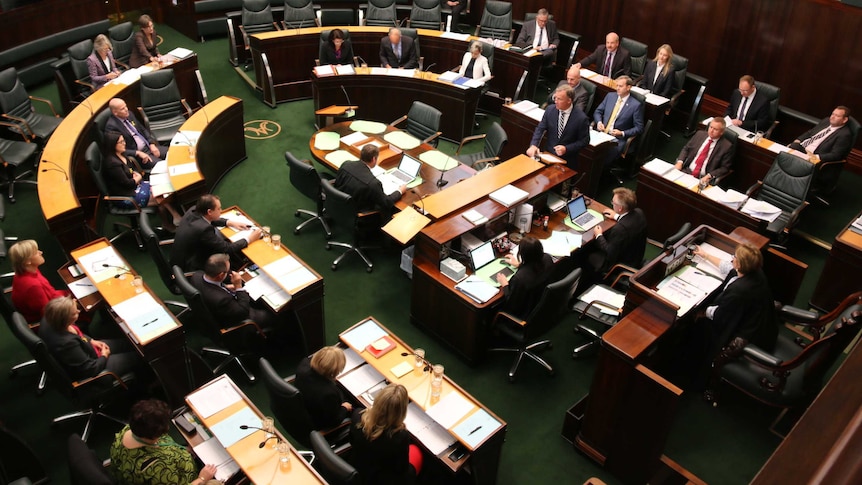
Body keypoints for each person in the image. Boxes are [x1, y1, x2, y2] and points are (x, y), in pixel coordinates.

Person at [694, 243, 778, 356]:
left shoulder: (739, 291)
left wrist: (702, 312)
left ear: (739, 264)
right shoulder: (755, 271)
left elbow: (719, 316)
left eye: (734, 256)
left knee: (695, 325)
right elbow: (729, 267)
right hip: (760, 325)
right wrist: (706, 255)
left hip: (740, 335)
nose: (732, 258)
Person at [111, 399, 219, 485]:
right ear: (154, 435)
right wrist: (202, 478)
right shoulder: (155, 469)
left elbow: (163, 444)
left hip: (181, 460)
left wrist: (184, 450)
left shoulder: (128, 430)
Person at [38, 296, 141, 381]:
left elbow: (78, 334)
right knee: (138, 356)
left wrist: (92, 341)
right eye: (75, 313)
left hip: (89, 348)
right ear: (65, 319)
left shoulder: (50, 318)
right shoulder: (66, 344)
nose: (78, 311)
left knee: (130, 343)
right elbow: (90, 369)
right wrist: (104, 356)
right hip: (96, 367)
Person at [101, 131, 181, 225]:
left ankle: (168, 223)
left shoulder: (121, 154)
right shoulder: (112, 164)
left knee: (161, 188)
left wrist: (136, 177)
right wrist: (138, 177)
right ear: (113, 144)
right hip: (126, 196)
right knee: (160, 196)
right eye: (121, 142)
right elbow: (128, 183)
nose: (124, 143)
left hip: (136, 186)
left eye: (124, 140)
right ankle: (175, 217)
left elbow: (132, 170)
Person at [350, 383, 422, 485]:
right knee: (416, 451)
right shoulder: (400, 437)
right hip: (381, 479)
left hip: (358, 467)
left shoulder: (358, 415)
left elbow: (351, 441)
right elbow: (401, 468)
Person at [171, 194, 262, 271]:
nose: (221, 210)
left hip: (180, 256)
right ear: (209, 211)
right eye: (218, 209)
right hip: (191, 264)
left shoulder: (194, 210)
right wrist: (250, 239)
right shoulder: (204, 230)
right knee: (228, 254)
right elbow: (227, 248)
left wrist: (229, 222)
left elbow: (209, 219)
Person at [189, 253, 275, 330]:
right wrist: (238, 287)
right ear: (221, 275)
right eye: (228, 271)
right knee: (271, 314)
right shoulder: (221, 299)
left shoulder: (197, 276)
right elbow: (243, 312)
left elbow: (213, 286)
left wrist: (225, 287)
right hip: (236, 319)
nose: (230, 273)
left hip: (214, 306)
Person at [526, 85, 590, 170]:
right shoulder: (550, 110)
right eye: (555, 98)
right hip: (547, 157)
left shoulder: (581, 118)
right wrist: (533, 145)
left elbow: (584, 141)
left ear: (569, 100)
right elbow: (540, 129)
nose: (556, 101)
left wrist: (566, 149)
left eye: (559, 99)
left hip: (567, 162)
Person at [586, 187, 647, 276]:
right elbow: (630, 221)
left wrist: (599, 235)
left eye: (613, 203)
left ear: (620, 208)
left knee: (587, 253)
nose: (612, 204)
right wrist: (616, 216)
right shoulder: (639, 212)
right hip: (636, 256)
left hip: (620, 265)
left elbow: (609, 252)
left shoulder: (620, 229)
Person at [10, 240, 70, 323]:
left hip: (55, 300)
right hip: (55, 317)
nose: (41, 252)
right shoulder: (33, 287)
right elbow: (49, 314)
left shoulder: (29, 270)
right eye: (36, 252)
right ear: (27, 262)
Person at [335, 144, 404, 216]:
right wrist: (400, 191)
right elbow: (386, 202)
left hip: (337, 205)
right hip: (356, 216)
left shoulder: (346, 164)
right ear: (374, 159)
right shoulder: (373, 183)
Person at [295, 346, 353, 430]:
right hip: (319, 421)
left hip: (306, 403)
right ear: (333, 371)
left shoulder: (304, 364)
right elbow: (334, 421)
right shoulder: (328, 393)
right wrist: (344, 408)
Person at [495, 236, 554, 318]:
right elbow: (534, 268)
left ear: (522, 254)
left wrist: (504, 285)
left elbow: (512, 304)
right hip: (540, 306)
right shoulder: (547, 259)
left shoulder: (519, 279)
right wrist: (519, 265)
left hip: (522, 315)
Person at [593, 75, 645, 163]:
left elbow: (639, 128)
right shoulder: (610, 96)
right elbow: (598, 111)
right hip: (601, 133)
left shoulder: (635, 105)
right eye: (616, 85)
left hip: (617, 139)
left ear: (628, 87)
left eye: (620, 86)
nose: (617, 88)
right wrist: (599, 122)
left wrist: (622, 133)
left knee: (602, 158)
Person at [105, 98, 165, 168]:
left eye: (126, 106)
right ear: (115, 112)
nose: (126, 109)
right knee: (162, 166)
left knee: (174, 153)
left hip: (148, 147)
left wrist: (151, 143)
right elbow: (117, 150)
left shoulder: (129, 114)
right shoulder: (112, 127)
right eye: (122, 109)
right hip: (138, 155)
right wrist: (137, 153)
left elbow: (143, 130)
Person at [674, 117, 734, 186]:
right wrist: (680, 162)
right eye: (711, 127)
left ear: (721, 132)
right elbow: (686, 149)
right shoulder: (699, 134)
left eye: (715, 129)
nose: (711, 131)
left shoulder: (726, 146)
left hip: (703, 178)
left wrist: (709, 175)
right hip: (686, 171)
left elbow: (725, 168)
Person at [788, 106, 854, 162]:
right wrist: (798, 140)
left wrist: (815, 157)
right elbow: (810, 133)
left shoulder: (844, 135)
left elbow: (835, 155)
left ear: (844, 120)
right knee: (791, 147)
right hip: (802, 147)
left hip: (813, 156)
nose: (832, 117)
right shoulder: (826, 121)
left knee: (793, 148)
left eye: (837, 116)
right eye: (832, 114)